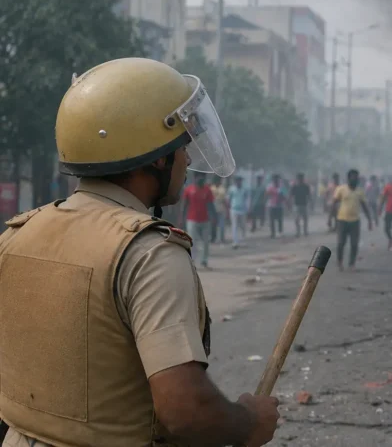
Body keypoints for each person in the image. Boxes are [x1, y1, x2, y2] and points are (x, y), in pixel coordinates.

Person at [0, 58, 279, 446]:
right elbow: (185, 410)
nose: (188, 159)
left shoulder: (18, 234)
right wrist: (248, 421)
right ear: (158, 158)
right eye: (182, 147)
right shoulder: (149, 256)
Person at [332, 169, 373, 270]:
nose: (355, 179)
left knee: (354, 244)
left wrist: (370, 220)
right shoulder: (341, 189)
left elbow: (364, 206)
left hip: (355, 221)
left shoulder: (360, 191)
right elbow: (334, 203)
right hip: (342, 220)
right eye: (353, 177)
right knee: (341, 243)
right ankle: (340, 261)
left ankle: (351, 264)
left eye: (356, 177)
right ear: (349, 178)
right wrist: (330, 219)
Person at [182, 172, 215, 267]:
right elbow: (184, 205)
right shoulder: (189, 189)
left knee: (205, 241)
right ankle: (192, 260)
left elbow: (211, 205)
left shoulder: (207, 190)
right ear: (195, 178)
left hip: (205, 220)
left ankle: (204, 259)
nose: (201, 178)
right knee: (192, 241)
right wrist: (181, 218)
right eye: (199, 176)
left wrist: (213, 217)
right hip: (192, 219)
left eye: (203, 177)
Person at [227, 175, 250, 248]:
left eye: (240, 180)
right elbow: (228, 199)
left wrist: (248, 208)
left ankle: (243, 240)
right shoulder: (231, 189)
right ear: (235, 181)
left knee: (243, 226)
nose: (238, 182)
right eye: (237, 180)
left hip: (243, 210)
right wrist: (229, 208)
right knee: (234, 226)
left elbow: (247, 198)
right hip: (234, 210)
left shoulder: (244, 189)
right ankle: (235, 242)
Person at [266, 174, 286, 239]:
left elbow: (285, 195)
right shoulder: (270, 186)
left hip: (279, 205)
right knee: (272, 220)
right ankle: (273, 233)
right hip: (271, 205)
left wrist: (281, 197)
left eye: (277, 179)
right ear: (273, 180)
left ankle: (280, 231)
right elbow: (267, 195)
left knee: (280, 219)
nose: (276, 180)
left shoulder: (281, 186)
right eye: (274, 179)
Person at [291, 172, 311, 237]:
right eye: (299, 178)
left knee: (305, 219)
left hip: (304, 204)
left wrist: (310, 202)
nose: (300, 179)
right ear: (297, 179)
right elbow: (291, 195)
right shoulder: (294, 186)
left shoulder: (306, 186)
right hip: (297, 204)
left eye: (301, 178)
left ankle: (305, 231)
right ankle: (298, 232)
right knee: (297, 219)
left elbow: (309, 195)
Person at [210, 176, 228, 244]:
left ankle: (220, 238)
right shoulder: (217, 188)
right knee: (216, 225)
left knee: (221, 225)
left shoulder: (213, 188)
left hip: (219, 209)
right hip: (215, 209)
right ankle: (216, 238)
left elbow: (225, 201)